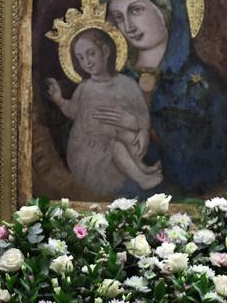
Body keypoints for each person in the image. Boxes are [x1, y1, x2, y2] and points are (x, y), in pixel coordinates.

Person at [98, 0, 227, 197]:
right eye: (118, 16)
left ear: (167, 7)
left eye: (136, 10)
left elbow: (223, 163)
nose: (128, 26)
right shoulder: (114, 81)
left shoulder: (203, 85)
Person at [46, 28, 163, 195]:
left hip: (112, 137)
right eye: (80, 58)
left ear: (106, 51)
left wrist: (142, 129)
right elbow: (73, 111)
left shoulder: (127, 84)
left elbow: (142, 114)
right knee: (115, 145)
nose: (87, 61)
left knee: (128, 136)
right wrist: (59, 100)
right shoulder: (85, 88)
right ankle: (141, 178)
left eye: (91, 53)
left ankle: (142, 168)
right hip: (87, 151)